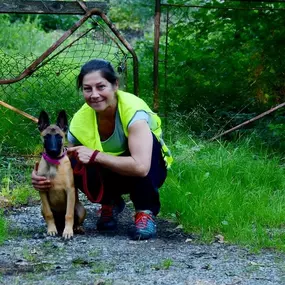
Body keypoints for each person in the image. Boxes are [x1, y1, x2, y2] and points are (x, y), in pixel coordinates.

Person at [32, 59, 173, 240]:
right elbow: (63, 159)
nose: (94, 94)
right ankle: (109, 203)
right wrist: (42, 176)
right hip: (111, 173)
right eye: (87, 89)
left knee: (148, 144)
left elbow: (141, 167)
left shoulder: (133, 110)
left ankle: (144, 212)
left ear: (115, 85)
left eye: (101, 87)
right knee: (75, 157)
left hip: (148, 170)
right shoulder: (80, 120)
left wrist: (96, 156)